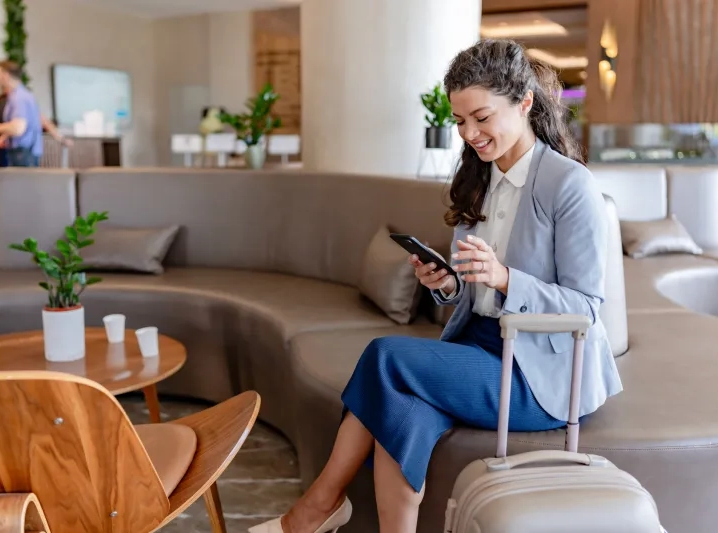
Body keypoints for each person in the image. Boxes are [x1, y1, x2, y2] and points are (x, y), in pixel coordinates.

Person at [248, 38, 623, 533]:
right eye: (461, 121)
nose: (470, 134)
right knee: (401, 410)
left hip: (537, 370)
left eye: (482, 118)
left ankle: (318, 506)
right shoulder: (478, 178)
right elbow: (473, 293)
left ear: (525, 103)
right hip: (480, 346)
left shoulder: (569, 185)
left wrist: (504, 277)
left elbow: (587, 307)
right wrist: (446, 284)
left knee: (386, 357)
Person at [0, 61, 44, 167]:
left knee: (21, 183)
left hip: (22, 154)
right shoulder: (22, 94)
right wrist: (5, 135)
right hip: (24, 152)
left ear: (5, 75)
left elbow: (18, 128)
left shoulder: (19, 97)